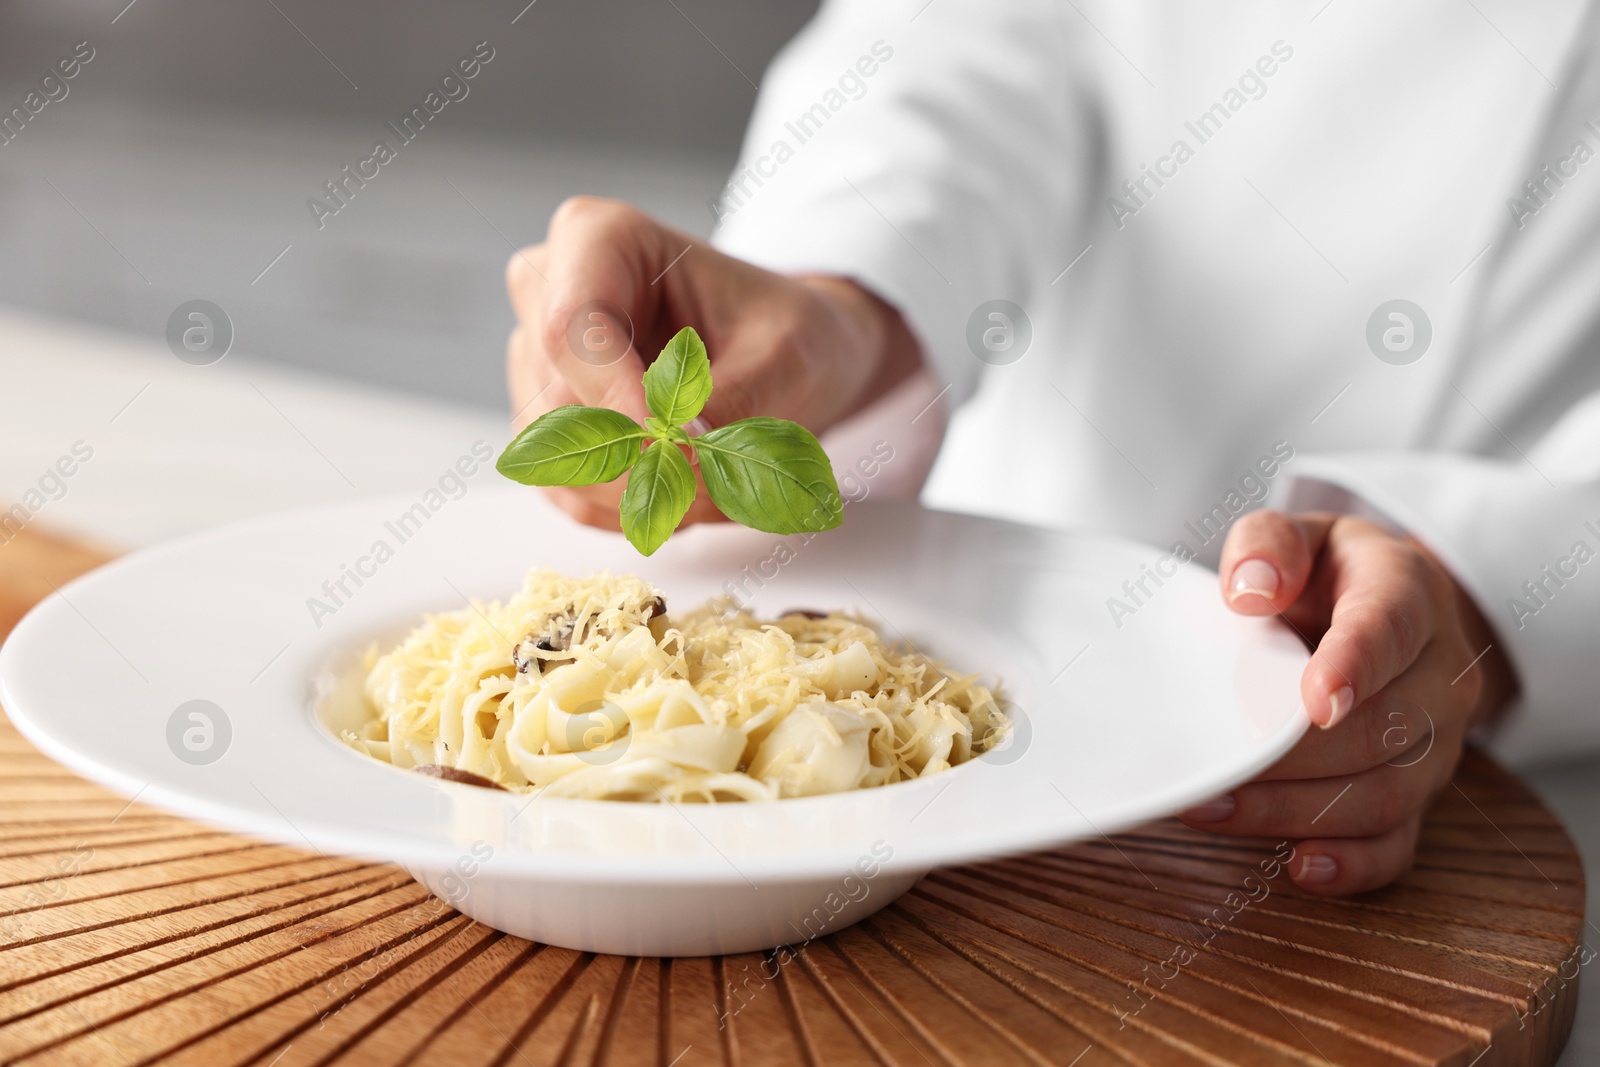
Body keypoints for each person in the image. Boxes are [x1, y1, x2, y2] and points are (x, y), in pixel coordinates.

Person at [502, 1, 1600, 895]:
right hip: (977, 637)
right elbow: (972, 30)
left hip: (1492, 788)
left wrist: (1490, 582)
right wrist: (840, 298)